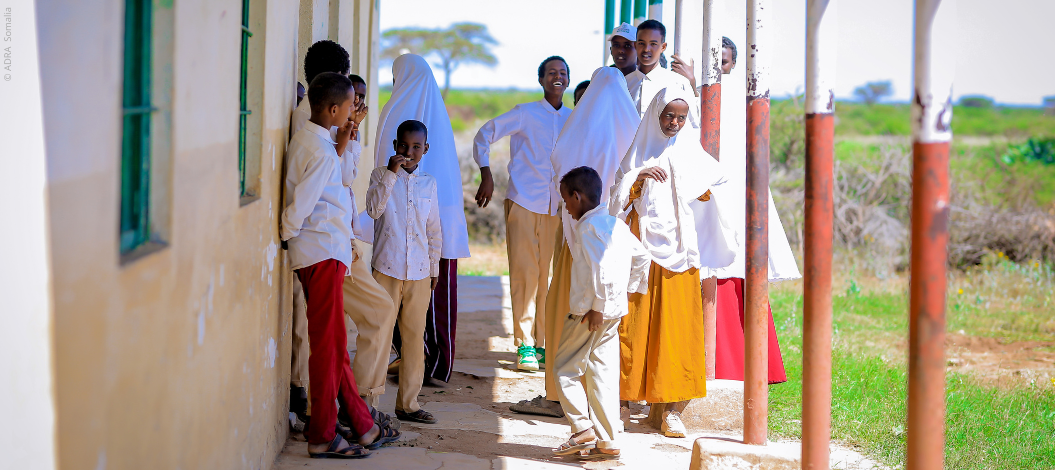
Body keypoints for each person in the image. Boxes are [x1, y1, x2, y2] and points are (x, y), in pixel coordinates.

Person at [281, 72, 400, 458]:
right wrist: (287, 233)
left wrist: (346, 140)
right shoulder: (316, 149)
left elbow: (333, 176)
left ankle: (362, 427)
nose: (355, 111)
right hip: (319, 252)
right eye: (350, 105)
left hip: (325, 251)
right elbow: (303, 202)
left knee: (333, 346)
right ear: (333, 109)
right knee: (326, 348)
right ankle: (321, 435)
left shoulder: (319, 141)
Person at [510, 66, 639, 418]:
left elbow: (560, 166)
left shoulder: (577, 131)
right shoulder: (633, 129)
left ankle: (559, 397)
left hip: (577, 237)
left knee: (566, 314)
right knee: (605, 338)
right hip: (617, 238)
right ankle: (604, 411)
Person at [609, 87, 736, 438]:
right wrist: (638, 177)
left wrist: (702, 191)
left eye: (681, 117)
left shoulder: (691, 154)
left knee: (677, 330)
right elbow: (616, 200)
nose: (675, 123)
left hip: (681, 255)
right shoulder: (636, 154)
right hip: (640, 252)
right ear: (655, 114)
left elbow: (715, 187)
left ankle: (670, 411)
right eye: (669, 116)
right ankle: (621, 402)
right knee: (631, 327)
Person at [704, 36, 799, 385]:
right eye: (715, 61)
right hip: (706, 199)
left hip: (732, 196)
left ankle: (738, 364)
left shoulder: (733, 101)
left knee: (733, 272)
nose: (720, 68)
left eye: (725, 62)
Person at [374, 54, 470, 385]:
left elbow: (381, 168)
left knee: (402, 308)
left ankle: (412, 366)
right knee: (434, 300)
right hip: (438, 225)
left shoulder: (393, 111)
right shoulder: (439, 116)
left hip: (403, 228)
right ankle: (436, 366)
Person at [472, 56, 572, 371]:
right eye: (552, 73)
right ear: (541, 79)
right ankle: (525, 344)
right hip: (524, 201)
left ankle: (543, 343)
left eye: (563, 73)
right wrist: (486, 173)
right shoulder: (525, 114)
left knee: (549, 276)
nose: (558, 77)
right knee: (524, 273)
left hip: (557, 206)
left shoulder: (574, 118)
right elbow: (484, 134)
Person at [550, 167, 651, 462]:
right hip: (612, 313)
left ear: (578, 197)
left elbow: (601, 268)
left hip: (587, 313)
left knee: (565, 369)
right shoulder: (616, 225)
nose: (565, 208)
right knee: (602, 375)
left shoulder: (588, 228)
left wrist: (597, 306)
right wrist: (628, 290)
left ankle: (582, 429)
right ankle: (608, 441)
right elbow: (642, 256)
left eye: (565, 200)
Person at [366, 119, 443, 425]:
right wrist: (390, 174)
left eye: (416, 147)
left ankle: (408, 404)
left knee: (414, 338)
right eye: (403, 146)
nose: (409, 152)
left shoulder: (429, 184)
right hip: (386, 267)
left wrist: (434, 266)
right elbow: (373, 210)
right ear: (395, 146)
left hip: (420, 272)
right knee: (379, 336)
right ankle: (367, 402)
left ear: (425, 149)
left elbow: (433, 229)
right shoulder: (380, 176)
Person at [625, 20, 693, 117]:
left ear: (663, 47)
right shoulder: (625, 83)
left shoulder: (678, 83)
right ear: (635, 45)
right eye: (641, 43)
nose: (646, 49)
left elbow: (693, 125)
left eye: (653, 44)